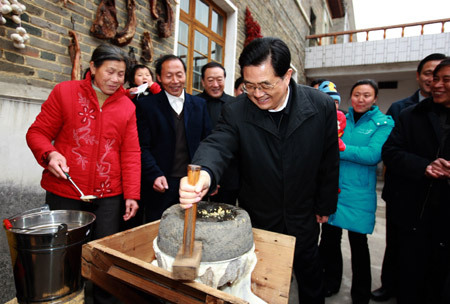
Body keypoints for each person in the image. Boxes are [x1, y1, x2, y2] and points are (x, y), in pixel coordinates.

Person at [179, 37, 340, 304]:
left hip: (304, 213)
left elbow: (329, 159)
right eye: (250, 86)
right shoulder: (236, 111)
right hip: (259, 216)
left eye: (266, 84)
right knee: (261, 285)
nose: (258, 93)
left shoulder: (319, 105)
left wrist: (325, 205)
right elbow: (218, 144)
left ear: (288, 75)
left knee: (310, 279)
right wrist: (205, 174)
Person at [26, 43, 141, 304]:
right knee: (62, 257)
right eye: (110, 71)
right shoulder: (65, 92)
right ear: (93, 67)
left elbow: (131, 153)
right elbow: (38, 133)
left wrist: (132, 194)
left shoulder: (127, 106)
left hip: (109, 195)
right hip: (65, 190)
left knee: (103, 258)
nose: (115, 79)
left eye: (121, 74)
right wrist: (50, 154)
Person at [371, 52, 447, 302]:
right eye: (432, 76)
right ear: (419, 76)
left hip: (442, 209)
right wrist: (424, 167)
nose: (436, 84)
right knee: (404, 257)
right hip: (407, 200)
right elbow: (389, 151)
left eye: (444, 78)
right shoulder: (407, 112)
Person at [319, 79, 394, 303]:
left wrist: (339, 148)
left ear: (375, 99)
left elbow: (372, 155)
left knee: (358, 245)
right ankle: (331, 283)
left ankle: (360, 294)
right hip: (335, 188)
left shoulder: (383, 123)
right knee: (330, 240)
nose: (361, 99)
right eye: (356, 95)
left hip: (359, 193)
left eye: (366, 95)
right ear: (349, 97)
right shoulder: (341, 118)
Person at [136, 54, 211, 223]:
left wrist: (207, 173)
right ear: (159, 78)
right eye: (169, 76)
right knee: (157, 230)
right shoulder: (146, 106)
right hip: (160, 183)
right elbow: (142, 146)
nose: (175, 81)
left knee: (192, 229)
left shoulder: (199, 105)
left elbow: (207, 143)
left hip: (192, 184)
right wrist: (154, 174)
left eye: (179, 74)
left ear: (186, 75)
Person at [197, 62, 239, 205]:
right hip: (200, 174)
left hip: (230, 176)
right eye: (210, 80)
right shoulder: (194, 103)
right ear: (202, 81)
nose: (215, 84)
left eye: (219, 80)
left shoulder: (235, 105)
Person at [317, 80, 346, 151]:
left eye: (336, 102)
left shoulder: (341, 116)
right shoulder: (315, 116)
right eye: (329, 101)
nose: (332, 105)